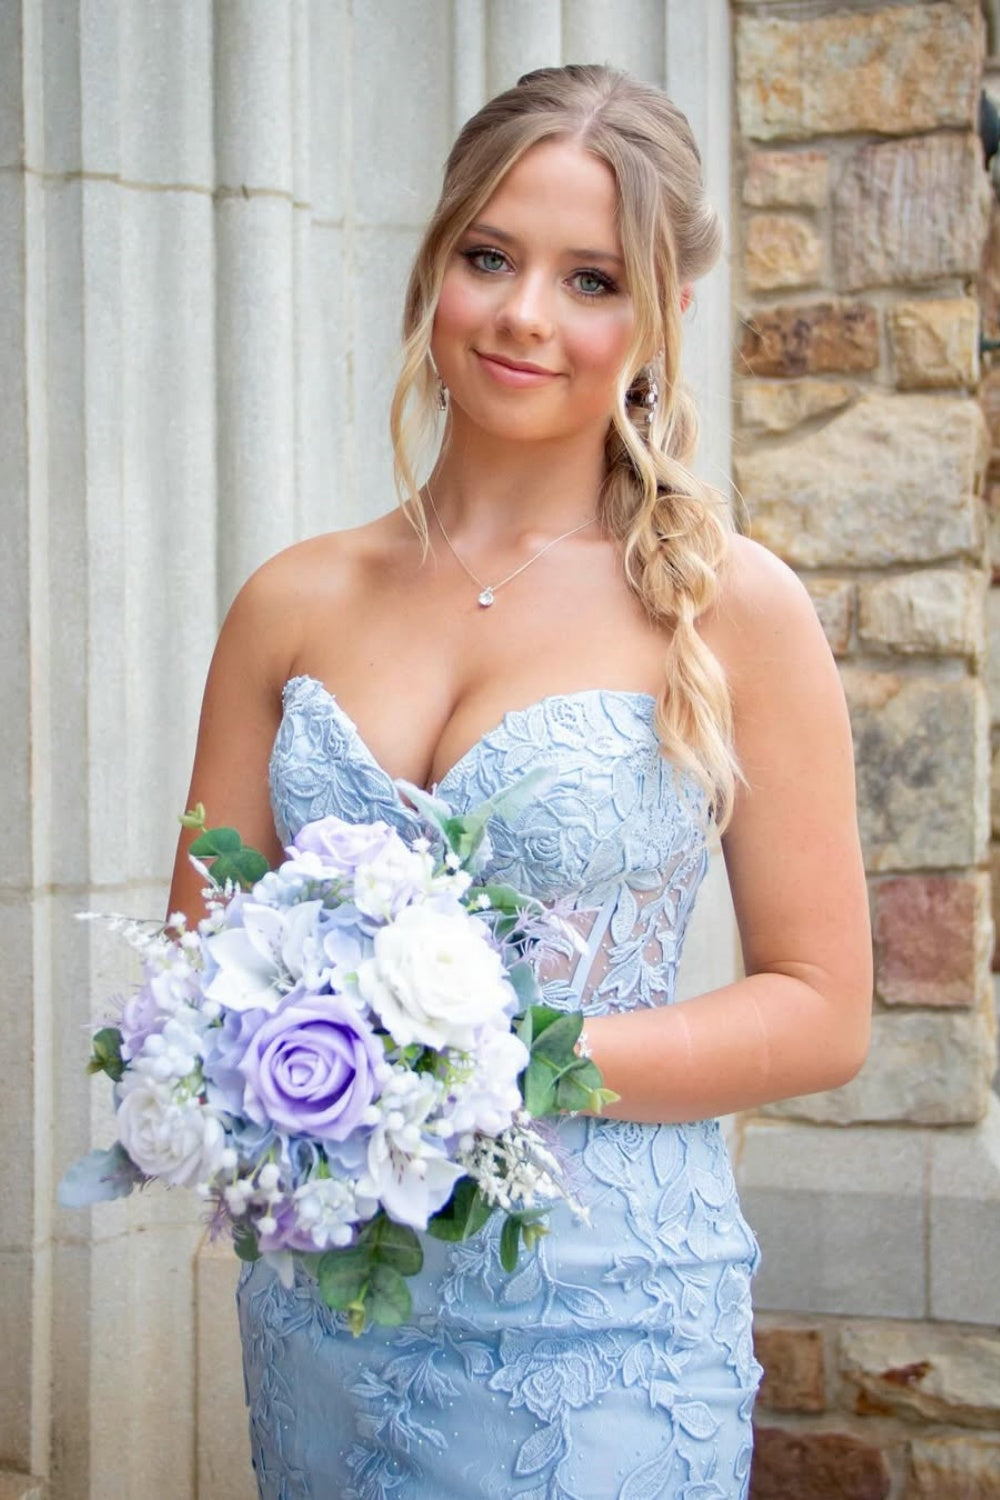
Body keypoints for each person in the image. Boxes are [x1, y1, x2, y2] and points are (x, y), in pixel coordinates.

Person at [169, 64, 871, 1500]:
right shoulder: (290, 601)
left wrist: (485, 1061)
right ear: (436, 266)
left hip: (606, 1326)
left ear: (659, 319)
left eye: (592, 278)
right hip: (330, 1325)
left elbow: (823, 1009)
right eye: (489, 257)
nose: (524, 315)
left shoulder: (731, 609)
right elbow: (198, 971)